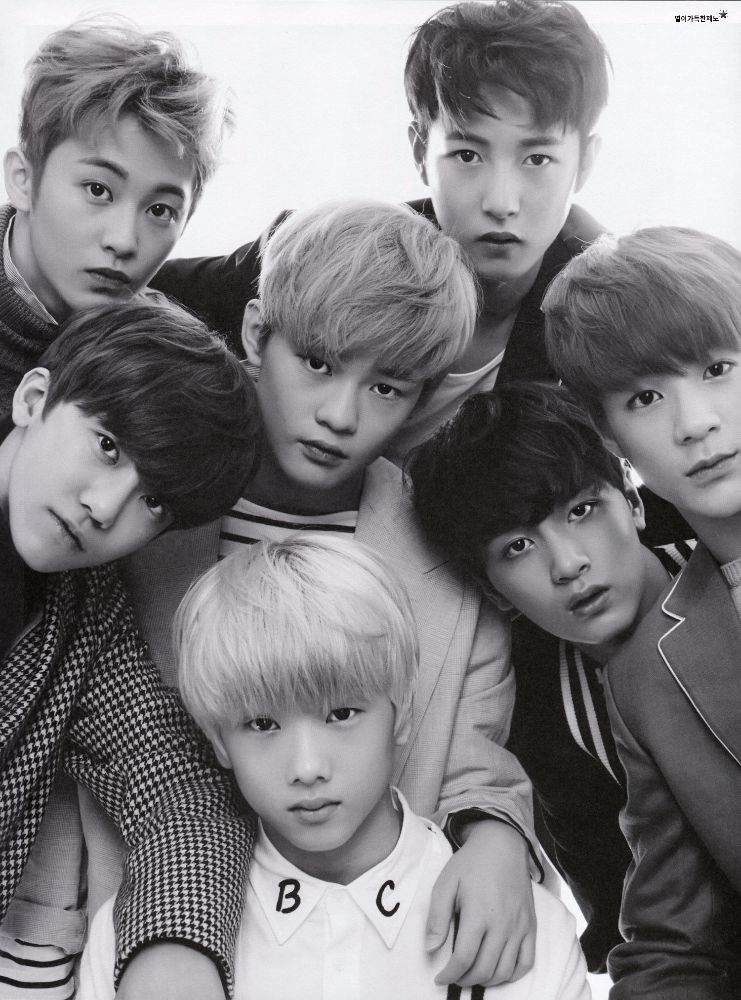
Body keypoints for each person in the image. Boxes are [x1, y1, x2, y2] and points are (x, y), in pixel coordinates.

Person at [123, 199, 541, 990]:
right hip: (139, 933)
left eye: (386, 387)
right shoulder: (143, 503)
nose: (340, 415)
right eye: (317, 363)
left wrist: (496, 834)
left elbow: (471, 758)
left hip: (364, 953)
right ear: (256, 334)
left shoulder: (444, 552)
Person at [80, 536, 590, 999]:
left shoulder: (523, 925)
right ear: (218, 740)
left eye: (341, 714)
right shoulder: (144, 937)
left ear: (402, 712)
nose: (307, 767)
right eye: (262, 724)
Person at [149, 0, 609, 461]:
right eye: (468, 155)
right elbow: (139, 294)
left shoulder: (609, 314)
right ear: (420, 152)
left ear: (586, 162)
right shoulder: (325, 257)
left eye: (538, 159)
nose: (501, 203)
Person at [0, 298, 260, 999]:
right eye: (108, 446)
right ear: (34, 399)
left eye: (152, 502)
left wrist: (174, 951)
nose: (105, 507)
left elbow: (180, 792)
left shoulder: (84, 615)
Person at [408, 380, 695, 973]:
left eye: (582, 511)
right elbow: (625, 920)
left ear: (633, 501)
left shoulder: (722, 565)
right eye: (518, 546)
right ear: (491, 589)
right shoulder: (544, 720)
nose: (568, 564)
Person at [542, 226, 741, 999]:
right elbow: (672, 949)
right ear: (608, 435)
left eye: (717, 369)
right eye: (645, 398)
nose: (693, 423)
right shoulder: (648, 675)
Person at [0, 17, 233, 412]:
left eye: (160, 210)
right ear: (23, 180)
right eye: (98, 190)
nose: (123, 241)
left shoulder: (165, 359)